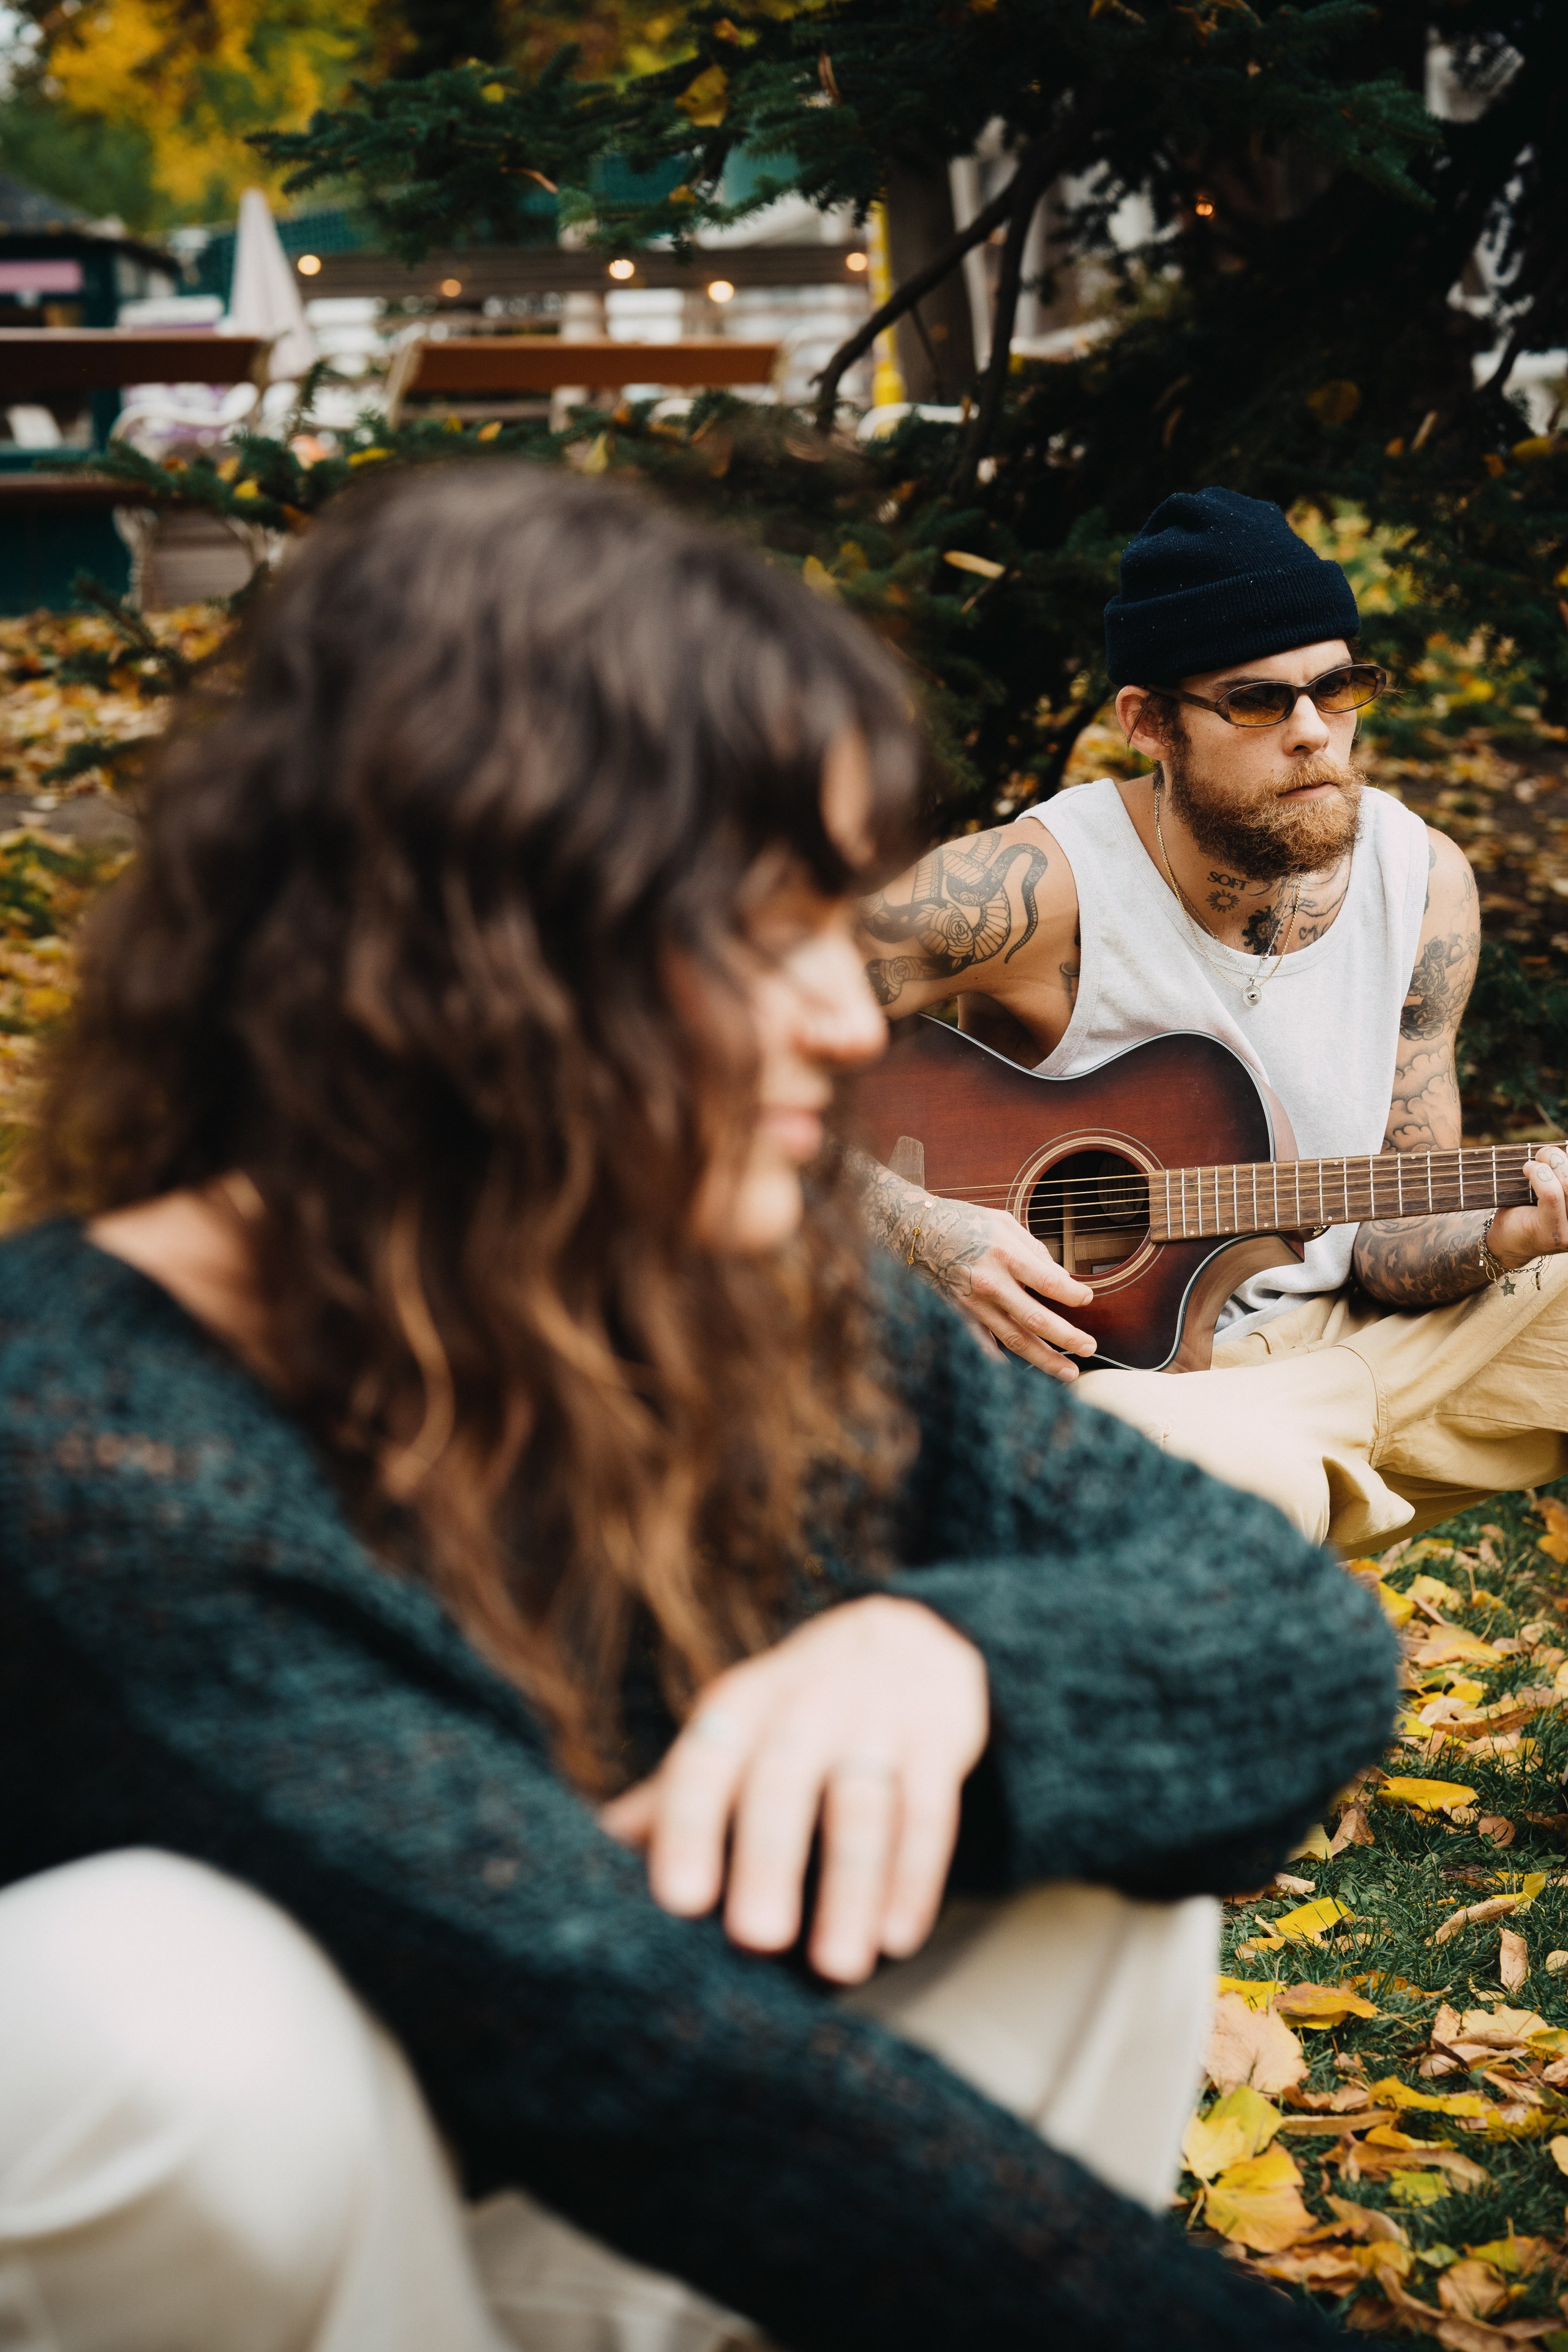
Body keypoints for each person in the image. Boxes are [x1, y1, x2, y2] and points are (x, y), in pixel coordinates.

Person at [0, 465, 1393, 2352]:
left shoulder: (748, 1293)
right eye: (769, 930)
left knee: (1095, 1817)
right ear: (473, 946)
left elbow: (1292, 1633)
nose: (847, 1020)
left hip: (609, 2197)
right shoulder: (78, 1431)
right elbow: (620, 2040)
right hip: (367, 2243)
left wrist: (946, 1655)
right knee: (158, 2010)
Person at [859, 485, 1568, 1553]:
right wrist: (924, 1227)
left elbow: (1391, 1241)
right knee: (1220, 1474)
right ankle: (1240, 1483)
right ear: (1147, 723)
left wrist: (1500, 1236)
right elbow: (698, 1049)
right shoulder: (1031, 889)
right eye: (1258, 703)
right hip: (1103, 1377)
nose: (1315, 734)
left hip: (1343, 1345)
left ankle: (1271, 1465)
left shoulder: (1423, 884)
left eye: (1340, 689)